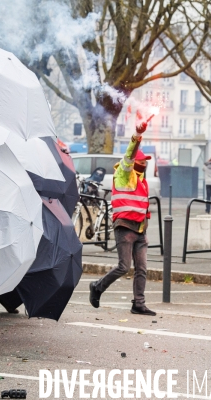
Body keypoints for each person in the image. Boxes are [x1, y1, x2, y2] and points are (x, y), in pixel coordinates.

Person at [88, 119, 156, 316]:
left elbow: (141, 206)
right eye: (142, 161)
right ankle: (97, 287)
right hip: (125, 227)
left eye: (146, 161)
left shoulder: (141, 180)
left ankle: (139, 304)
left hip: (140, 229)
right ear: (134, 161)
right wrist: (136, 136)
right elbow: (129, 155)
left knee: (141, 269)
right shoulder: (124, 173)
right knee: (124, 267)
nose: (144, 163)